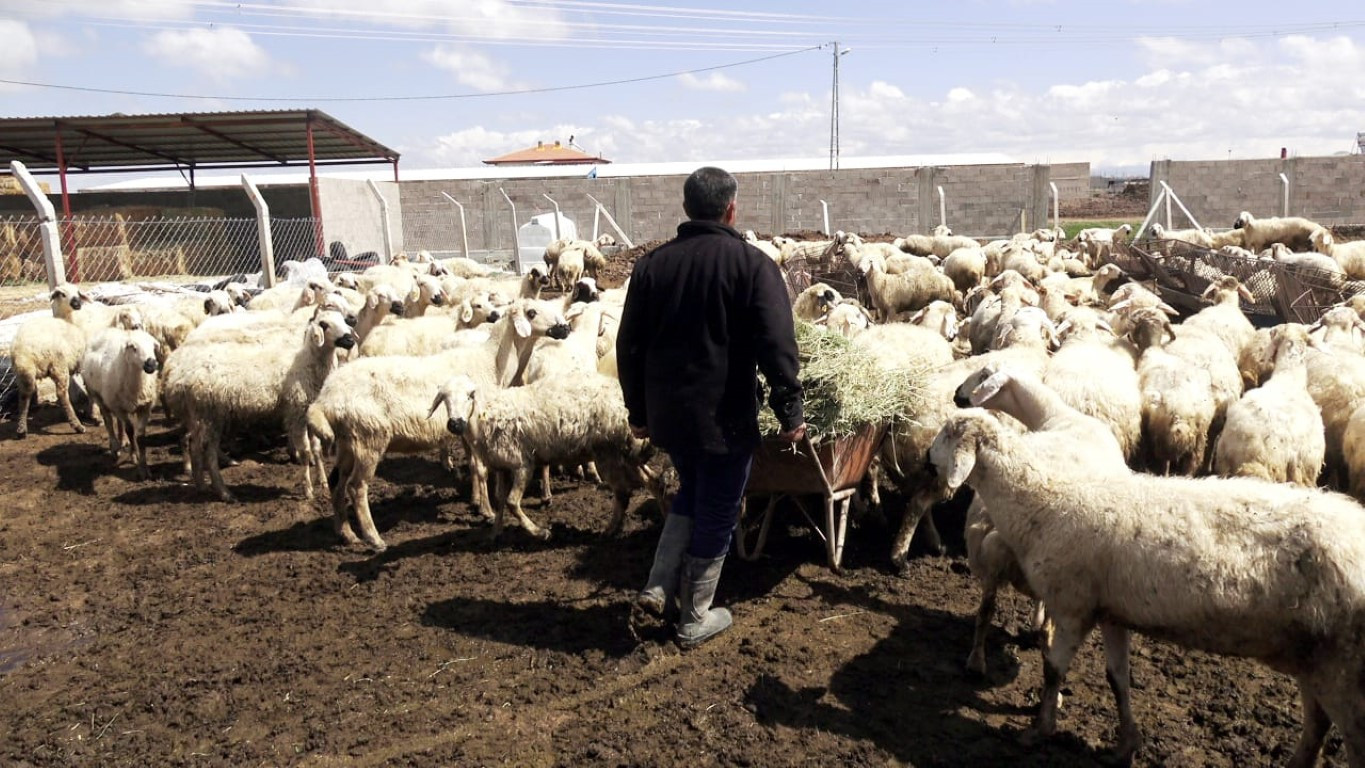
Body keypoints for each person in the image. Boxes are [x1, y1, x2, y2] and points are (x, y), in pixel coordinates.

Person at [616, 166, 806, 649]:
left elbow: (629, 346)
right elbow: (777, 345)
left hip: (669, 417)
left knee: (692, 491)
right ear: (731, 209)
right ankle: (695, 615)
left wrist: (638, 410)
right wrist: (791, 411)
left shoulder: (651, 266)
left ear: (686, 209)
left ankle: (658, 587)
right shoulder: (751, 265)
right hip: (724, 418)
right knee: (721, 508)